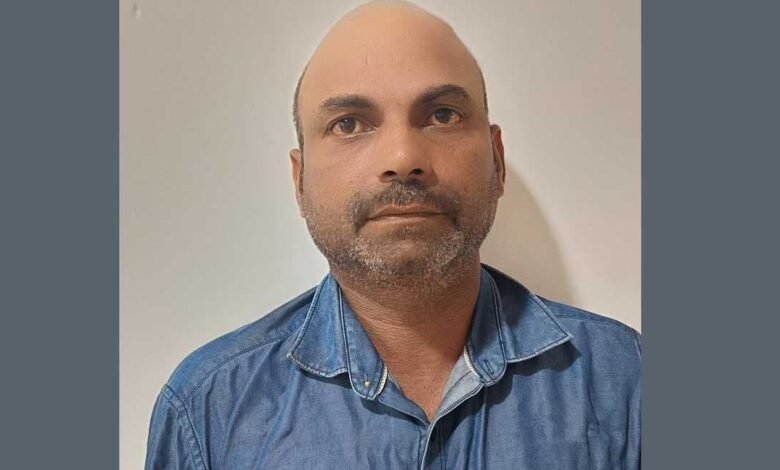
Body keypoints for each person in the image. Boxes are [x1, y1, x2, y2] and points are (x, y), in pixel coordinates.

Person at [144, 1, 640, 468]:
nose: (403, 158)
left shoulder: (628, 382)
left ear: (497, 160)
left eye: (442, 115)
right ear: (300, 181)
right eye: (349, 124)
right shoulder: (208, 412)